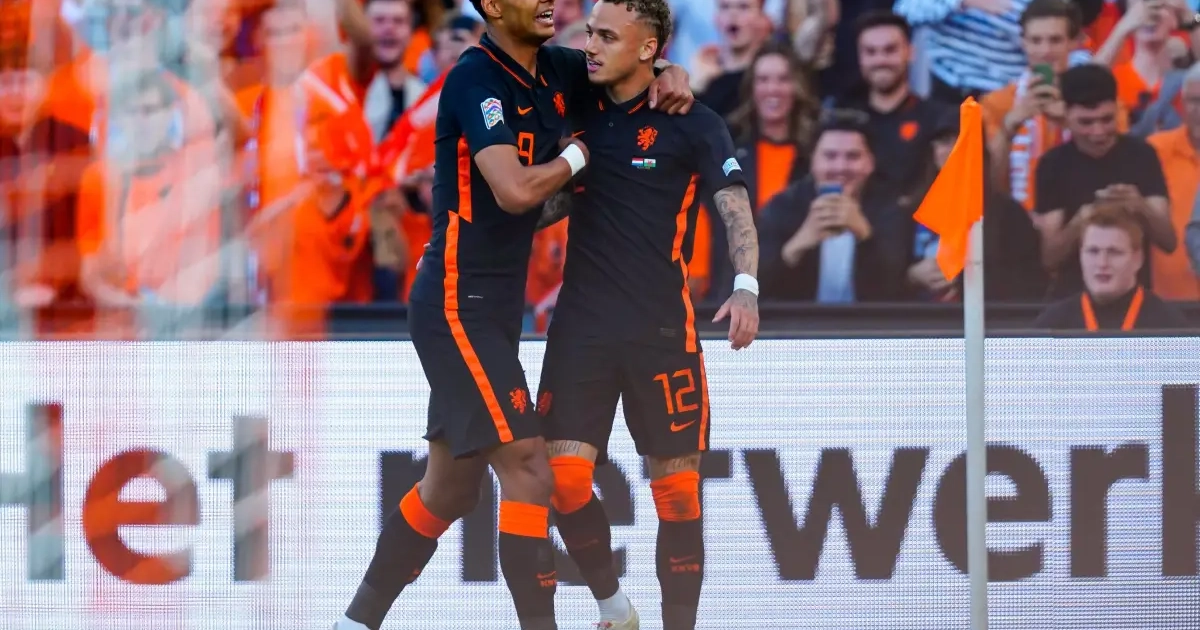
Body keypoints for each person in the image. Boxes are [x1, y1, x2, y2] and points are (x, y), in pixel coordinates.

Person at [332, 0, 693, 627]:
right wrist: (580, 156)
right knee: (529, 468)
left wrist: (672, 71)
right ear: (494, 7)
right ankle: (612, 609)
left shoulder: (556, 67)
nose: (548, 0)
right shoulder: (475, 78)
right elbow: (514, 189)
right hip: (455, 301)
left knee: (449, 488)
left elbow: (630, 63)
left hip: (495, 309)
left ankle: (353, 623)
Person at [533, 1, 759, 628]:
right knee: (564, 483)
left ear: (647, 47)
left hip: (662, 330)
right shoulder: (576, 106)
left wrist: (745, 286)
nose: (591, 45)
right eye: (590, 32)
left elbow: (733, 203)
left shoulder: (694, 122)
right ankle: (614, 607)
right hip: (580, 328)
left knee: (679, 497)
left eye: (607, 35)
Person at [1034, 63, 1176, 298]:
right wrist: (1082, 219)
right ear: (1066, 116)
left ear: (1118, 108)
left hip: (1135, 299)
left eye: (1107, 119)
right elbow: (1049, 258)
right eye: (1086, 122)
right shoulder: (1052, 165)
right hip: (1073, 300)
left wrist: (1139, 205)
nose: (1098, 132)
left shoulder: (1142, 156)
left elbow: (1168, 242)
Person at [757, 112, 912, 302]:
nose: (840, 167)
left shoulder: (891, 208)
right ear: (813, 161)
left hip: (868, 319)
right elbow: (752, 287)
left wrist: (864, 235)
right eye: (830, 156)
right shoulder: (782, 206)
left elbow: (897, 289)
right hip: (799, 319)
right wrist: (798, 244)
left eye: (853, 156)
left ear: (870, 163)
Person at [1034, 201, 1189, 329]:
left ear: (1138, 259)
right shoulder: (1052, 325)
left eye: (1114, 252)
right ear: (1081, 255)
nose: (1102, 263)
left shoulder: (1169, 325)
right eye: (1093, 251)